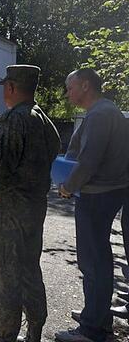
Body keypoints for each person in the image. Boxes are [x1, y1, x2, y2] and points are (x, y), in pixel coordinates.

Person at [0, 65, 60, 342]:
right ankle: (35, 328)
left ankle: (5, 333)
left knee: (5, 273)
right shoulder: (43, 119)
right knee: (30, 268)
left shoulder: (13, 119)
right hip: (34, 208)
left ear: (11, 87)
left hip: (8, 212)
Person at [55, 68, 129, 342]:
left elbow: (88, 161)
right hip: (109, 192)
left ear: (85, 86)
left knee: (94, 261)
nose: (68, 92)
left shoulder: (99, 115)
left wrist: (67, 186)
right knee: (99, 259)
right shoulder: (109, 110)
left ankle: (92, 329)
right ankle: (96, 315)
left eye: (70, 87)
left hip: (96, 195)